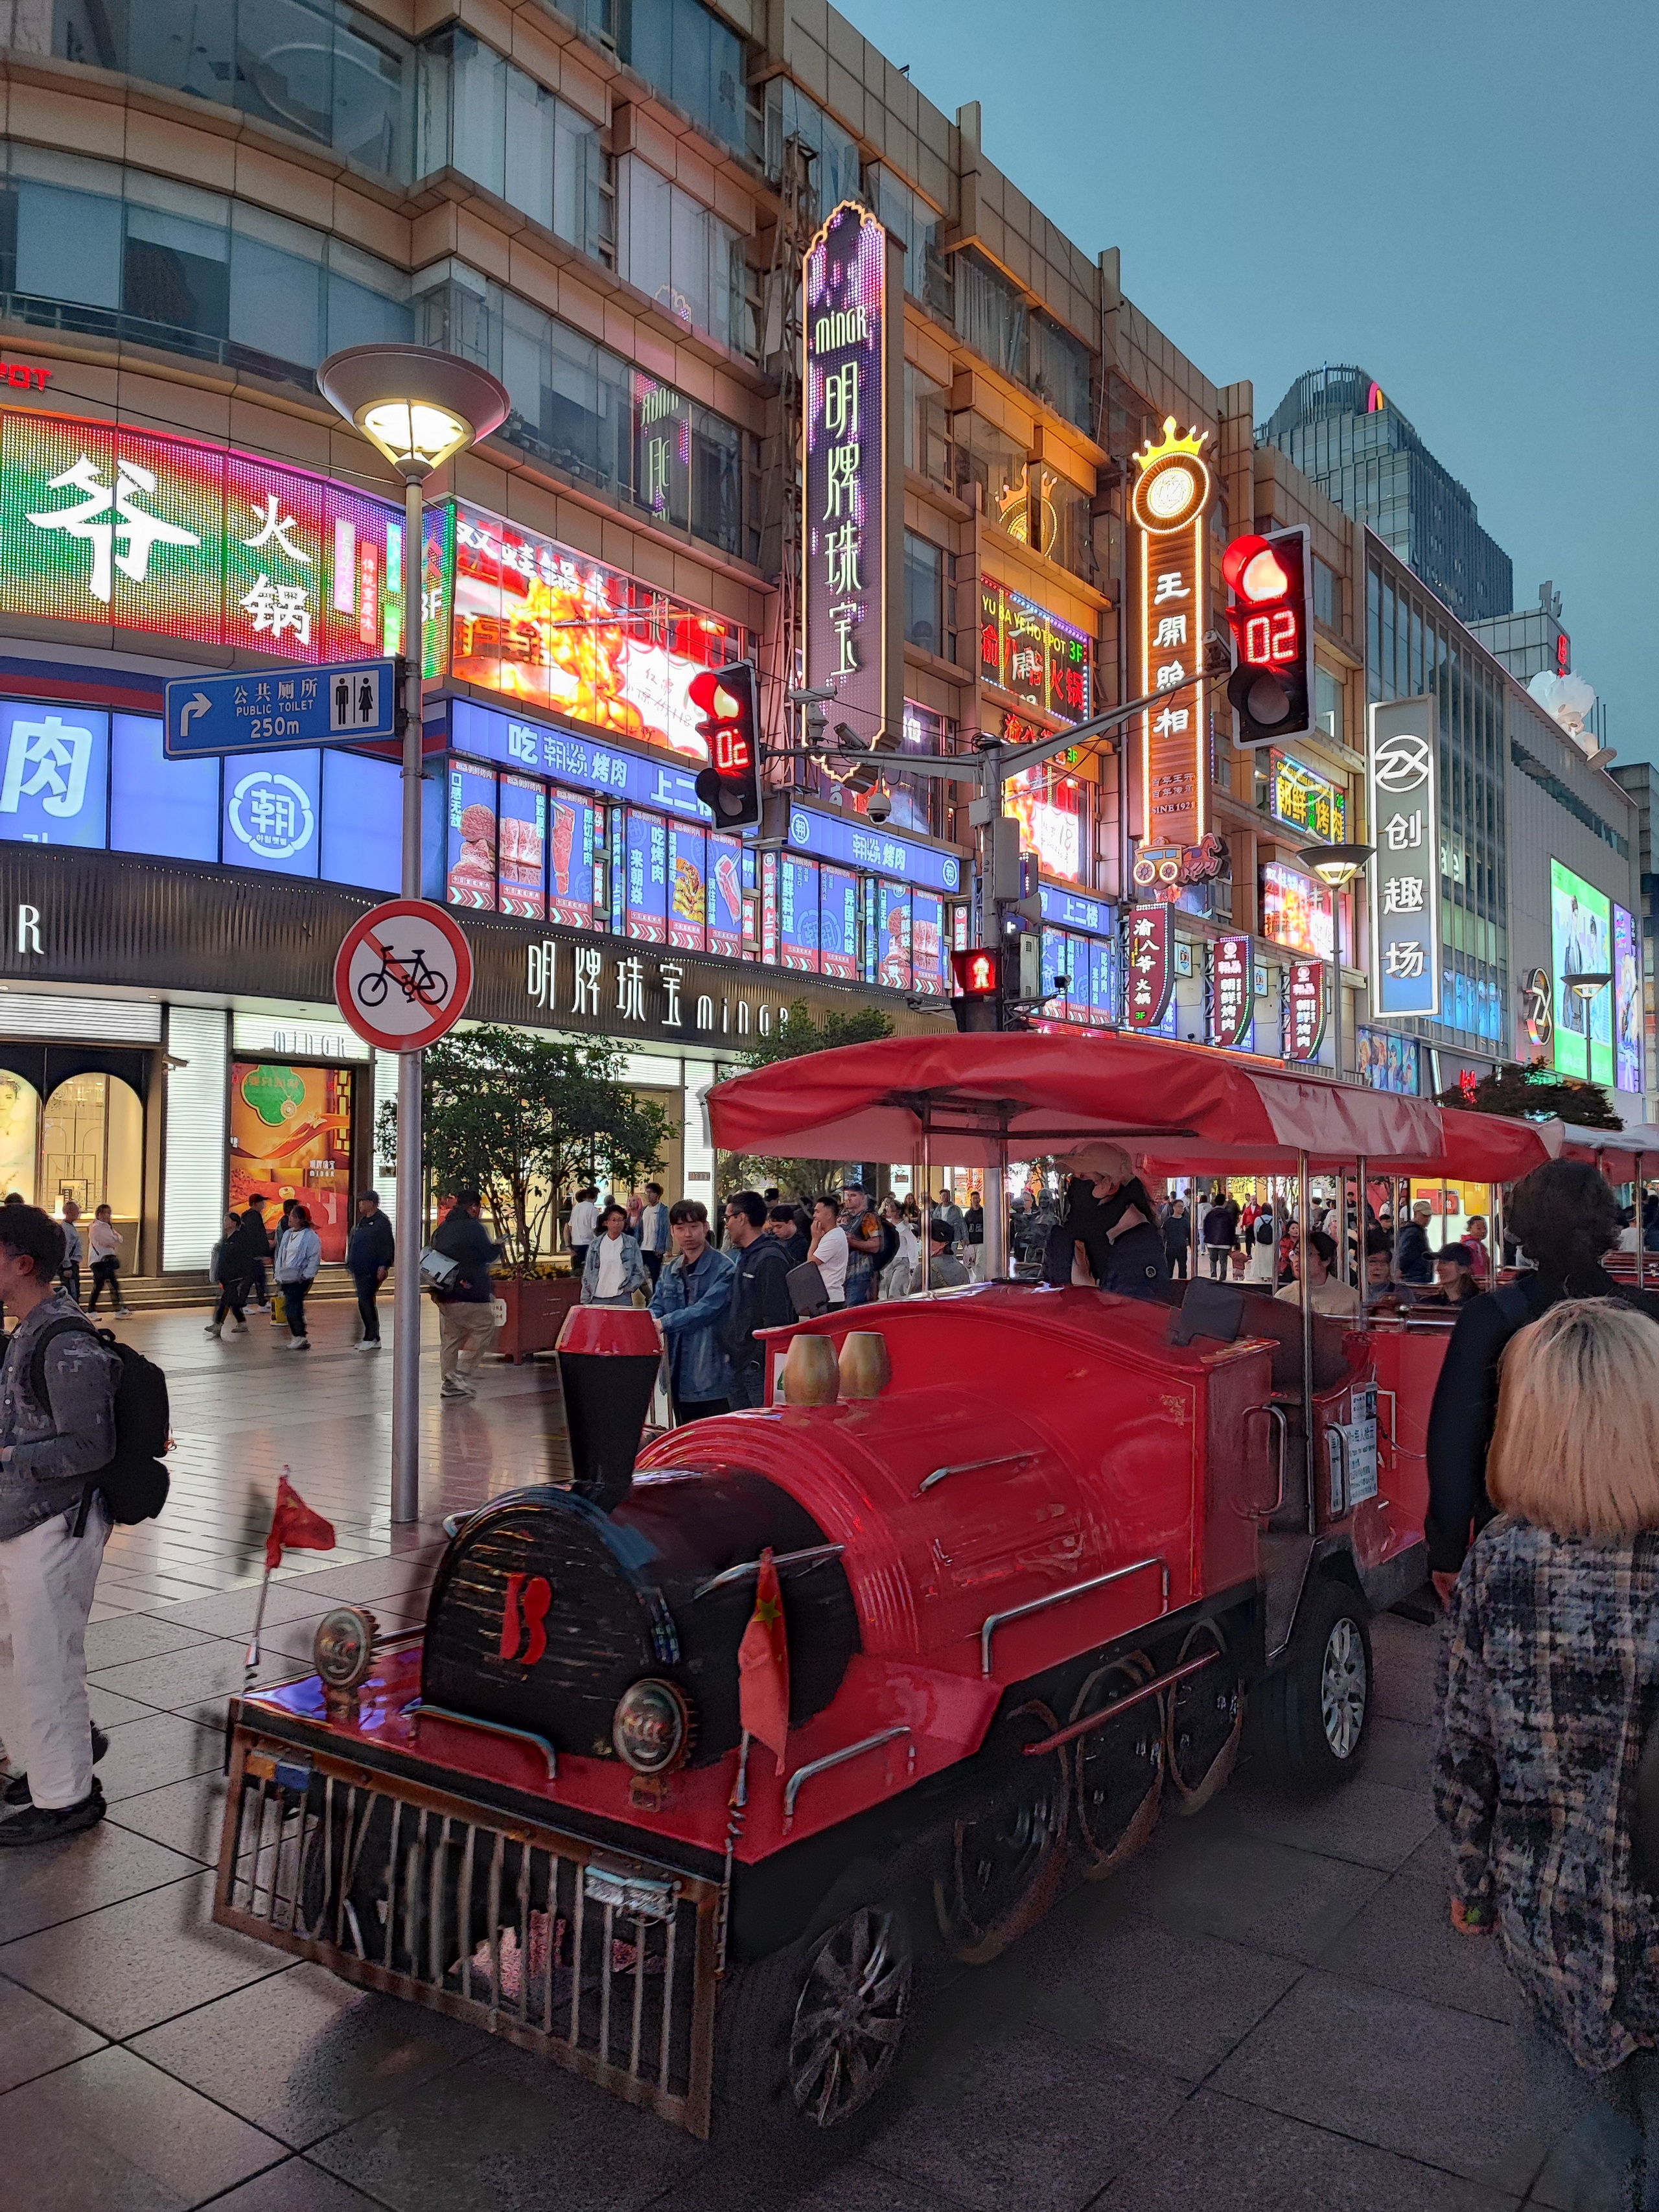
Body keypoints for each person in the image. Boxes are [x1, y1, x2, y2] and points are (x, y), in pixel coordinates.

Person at [1435, 1299, 1659, 2207]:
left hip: (1551, 1928)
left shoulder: (1497, 1563)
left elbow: (1465, 1752)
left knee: (1592, 2157)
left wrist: (1471, 1885)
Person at [1426, 1158, 1659, 1603]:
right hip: (1639, 1534)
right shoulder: (1648, 1315)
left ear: (1523, 1228)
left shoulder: (1490, 1318)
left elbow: (1454, 1441)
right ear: (1604, 1223)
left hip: (1520, 1538)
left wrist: (1448, 1546)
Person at [0, 1203, 121, 1845]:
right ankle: (43, 1761)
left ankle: (66, 1796)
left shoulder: (65, 1339)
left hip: (55, 1526)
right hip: (20, 1523)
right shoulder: (27, 1328)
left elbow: (90, 1446)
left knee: (47, 1660)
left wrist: (9, 1457)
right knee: (15, 1653)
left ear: (22, 1264)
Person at [649, 1199, 735, 1420]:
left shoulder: (724, 1268)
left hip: (711, 1373)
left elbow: (706, 1310)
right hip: (676, 1374)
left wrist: (664, 1323)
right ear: (672, 1231)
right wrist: (647, 1320)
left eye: (694, 1227)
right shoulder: (670, 1270)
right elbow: (656, 1305)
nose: (687, 1234)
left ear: (706, 1227)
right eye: (680, 1228)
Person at [1063, 1145, 1171, 1300]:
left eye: (1083, 1177)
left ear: (1112, 1186)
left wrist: (1091, 1293)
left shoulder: (1140, 1241)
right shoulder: (1082, 1232)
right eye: (1072, 1177)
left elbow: (1137, 1305)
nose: (1074, 1186)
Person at [723, 1192, 794, 1408]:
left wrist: (757, 1361)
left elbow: (777, 1318)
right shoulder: (746, 1255)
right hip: (738, 1363)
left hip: (756, 1369)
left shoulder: (769, 1259)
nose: (726, 1224)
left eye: (728, 1218)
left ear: (741, 1218)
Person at [430, 1190, 501, 1400]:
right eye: (479, 1208)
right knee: (485, 1326)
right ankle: (459, 1374)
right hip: (469, 1291)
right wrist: (498, 1247)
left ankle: (448, 1381)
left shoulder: (443, 1228)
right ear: (474, 1207)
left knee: (451, 1337)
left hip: (444, 1292)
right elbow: (488, 1255)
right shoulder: (474, 1228)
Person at [1275, 1228, 1361, 1320]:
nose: (1297, 1259)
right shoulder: (1283, 1297)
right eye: (1296, 1253)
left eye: (1308, 1253)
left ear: (1326, 1260)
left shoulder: (1352, 1299)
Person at [345, 1191, 394, 1350]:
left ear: (371, 1203)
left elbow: (387, 1245)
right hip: (359, 1268)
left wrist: (383, 1265)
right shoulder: (363, 1221)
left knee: (365, 1300)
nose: (360, 1204)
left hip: (371, 1268)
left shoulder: (381, 1222)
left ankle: (371, 1336)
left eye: (363, 1201)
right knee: (364, 1301)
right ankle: (373, 1336)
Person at [581, 1202, 649, 1305]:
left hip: (622, 1297)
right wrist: (585, 1298)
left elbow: (639, 1271)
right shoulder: (596, 1244)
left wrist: (628, 1288)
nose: (617, 1223)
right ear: (606, 1223)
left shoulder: (631, 1243)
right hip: (598, 1297)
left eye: (621, 1220)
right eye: (614, 1220)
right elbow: (588, 1272)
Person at [274, 1202, 321, 1351]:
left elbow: (314, 1257)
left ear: (301, 1219)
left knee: (293, 1306)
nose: (290, 1218)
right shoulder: (287, 1234)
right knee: (292, 1306)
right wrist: (278, 1273)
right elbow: (281, 1254)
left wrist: (307, 1275)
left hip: (300, 1278)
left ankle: (299, 1335)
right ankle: (299, 1335)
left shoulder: (311, 1237)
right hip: (286, 1276)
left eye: (293, 1216)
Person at [205, 1210, 257, 1338]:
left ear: (234, 1223)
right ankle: (242, 1323)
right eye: (224, 1221)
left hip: (236, 1276)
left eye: (227, 1220)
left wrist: (244, 1274)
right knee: (233, 1301)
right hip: (226, 1276)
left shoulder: (240, 1239)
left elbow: (243, 1258)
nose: (225, 1223)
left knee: (225, 1300)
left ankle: (218, 1324)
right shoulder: (225, 1240)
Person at [839, 1184, 882, 1307]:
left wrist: (851, 1242)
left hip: (862, 1275)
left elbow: (875, 1245)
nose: (848, 1199)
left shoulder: (869, 1218)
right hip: (848, 1274)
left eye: (853, 1195)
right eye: (847, 1195)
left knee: (853, 1310)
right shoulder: (851, 1218)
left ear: (863, 1198)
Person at [808, 1194, 850, 1310]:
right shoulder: (830, 1235)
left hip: (830, 1299)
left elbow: (811, 1263)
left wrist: (815, 1239)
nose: (814, 1216)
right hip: (824, 1297)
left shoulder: (834, 1238)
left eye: (817, 1212)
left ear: (829, 1215)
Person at [85, 1204, 128, 1314]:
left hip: (106, 1260)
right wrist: (115, 1239)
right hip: (99, 1261)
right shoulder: (96, 1227)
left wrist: (115, 1239)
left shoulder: (108, 1227)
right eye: (104, 1213)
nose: (107, 1216)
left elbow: (119, 1238)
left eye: (109, 1213)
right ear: (99, 1214)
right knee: (100, 1285)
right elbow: (107, 1241)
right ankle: (91, 1310)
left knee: (113, 1285)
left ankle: (119, 1309)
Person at [911, 1216, 970, 1294]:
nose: (922, 1243)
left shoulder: (923, 1269)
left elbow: (913, 1298)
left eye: (927, 1240)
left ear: (942, 1244)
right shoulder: (961, 1269)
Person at [1420, 1241, 1480, 1308]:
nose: (1439, 1268)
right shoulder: (1429, 1303)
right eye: (1439, 1262)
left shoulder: (1478, 1304)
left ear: (1463, 1269)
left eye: (1445, 1263)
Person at [1394, 1198, 1436, 1286]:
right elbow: (1405, 1254)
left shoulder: (1413, 1231)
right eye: (1424, 1216)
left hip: (1415, 1276)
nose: (1428, 1219)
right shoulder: (1414, 1232)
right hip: (1415, 1277)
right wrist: (1402, 1269)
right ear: (1416, 1214)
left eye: (1429, 1216)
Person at [636, 1182, 669, 1286]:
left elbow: (666, 1230)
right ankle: (646, 1294)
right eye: (647, 1193)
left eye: (651, 1192)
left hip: (655, 1249)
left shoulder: (663, 1210)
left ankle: (655, 1295)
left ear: (657, 1194)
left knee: (655, 1277)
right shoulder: (644, 1210)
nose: (648, 1195)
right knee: (637, 1275)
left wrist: (667, 1248)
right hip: (642, 1247)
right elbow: (639, 1229)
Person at [242, 1192, 272, 1309]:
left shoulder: (248, 1216)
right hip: (253, 1255)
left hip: (252, 1254)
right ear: (255, 1204)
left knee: (259, 1279)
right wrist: (264, 1251)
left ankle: (262, 1302)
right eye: (261, 1202)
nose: (263, 1204)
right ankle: (242, 1304)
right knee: (251, 1280)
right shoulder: (254, 1217)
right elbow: (257, 1236)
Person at [1201, 1190, 1236, 1280]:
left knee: (1213, 1260)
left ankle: (1213, 1275)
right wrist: (1233, 1242)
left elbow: (1205, 1227)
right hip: (1225, 1243)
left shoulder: (1210, 1214)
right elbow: (1232, 1229)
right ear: (1224, 1202)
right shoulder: (1228, 1215)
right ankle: (1222, 1278)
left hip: (1211, 1242)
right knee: (1223, 1261)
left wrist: (1206, 1238)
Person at [567, 1185, 599, 1279]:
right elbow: (594, 1229)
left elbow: (570, 1226)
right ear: (595, 1196)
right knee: (588, 1274)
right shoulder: (593, 1210)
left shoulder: (576, 1208)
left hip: (576, 1243)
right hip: (588, 1243)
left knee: (576, 1272)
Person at [765, 1203, 809, 1270]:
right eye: (773, 1227)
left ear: (790, 1223)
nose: (775, 1230)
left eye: (779, 1227)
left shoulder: (801, 1244)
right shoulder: (770, 1239)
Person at [58, 1200, 83, 1308]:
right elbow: (65, 1248)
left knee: (74, 1289)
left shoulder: (70, 1227)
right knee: (72, 1292)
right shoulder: (65, 1229)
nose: (78, 1214)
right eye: (76, 1211)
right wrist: (67, 1267)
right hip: (69, 1264)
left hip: (73, 1263)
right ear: (68, 1212)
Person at [1163, 1195, 1190, 1281]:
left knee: (1183, 1269)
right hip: (1170, 1248)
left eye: (1183, 1207)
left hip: (1182, 1248)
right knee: (1169, 1269)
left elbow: (1189, 1235)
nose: (1181, 1208)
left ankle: (1182, 1285)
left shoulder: (1185, 1222)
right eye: (1179, 1206)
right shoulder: (1168, 1222)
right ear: (1174, 1207)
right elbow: (1163, 1235)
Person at [1463, 1214, 1491, 1281]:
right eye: (1479, 1229)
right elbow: (1479, 1268)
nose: (1483, 1231)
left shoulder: (1478, 1245)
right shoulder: (1473, 1245)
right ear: (1470, 1229)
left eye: (1485, 1228)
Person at [964, 1192, 984, 1279]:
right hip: (971, 1242)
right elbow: (965, 1227)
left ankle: (979, 1279)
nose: (976, 1200)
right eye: (974, 1199)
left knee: (980, 1262)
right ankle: (977, 1278)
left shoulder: (984, 1213)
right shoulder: (968, 1214)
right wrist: (965, 1239)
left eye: (977, 1198)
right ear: (971, 1200)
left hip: (981, 1241)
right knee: (972, 1263)